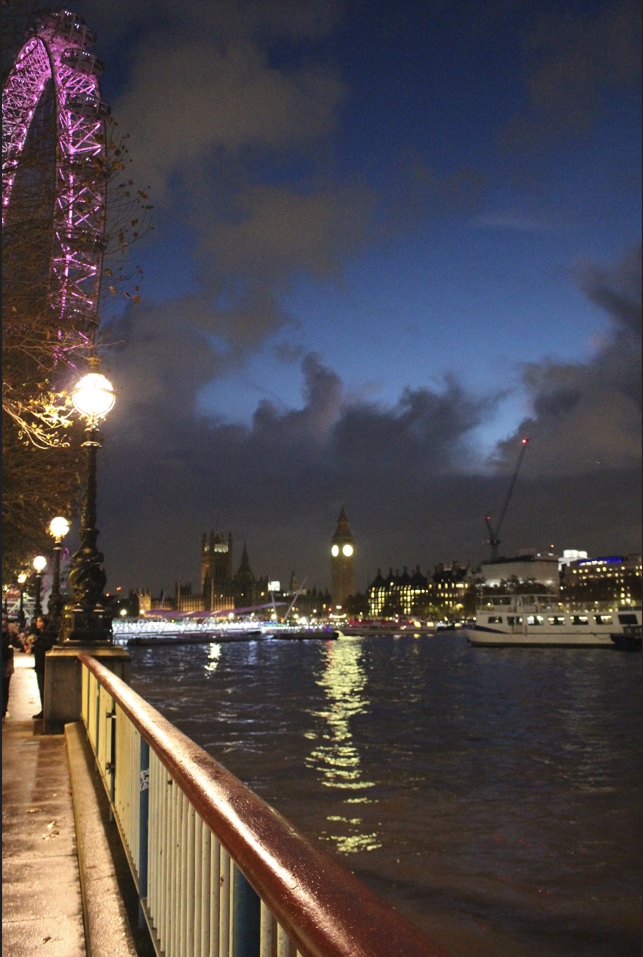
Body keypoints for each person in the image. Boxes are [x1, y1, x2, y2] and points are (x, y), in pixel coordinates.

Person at [29, 615, 56, 719]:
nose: (38, 623)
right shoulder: (40, 633)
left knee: (44, 688)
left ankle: (45, 710)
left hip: (44, 665)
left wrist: (35, 642)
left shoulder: (48, 634)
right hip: (40, 664)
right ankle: (43, 709)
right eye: (37, 621)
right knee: (41, 688)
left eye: (40, 621)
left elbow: (45, 645)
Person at [2, 615, 24, 719]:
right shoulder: (11, 627)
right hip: (7, 662)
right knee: (5, 687)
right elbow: (18, 643)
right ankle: (3, 709)